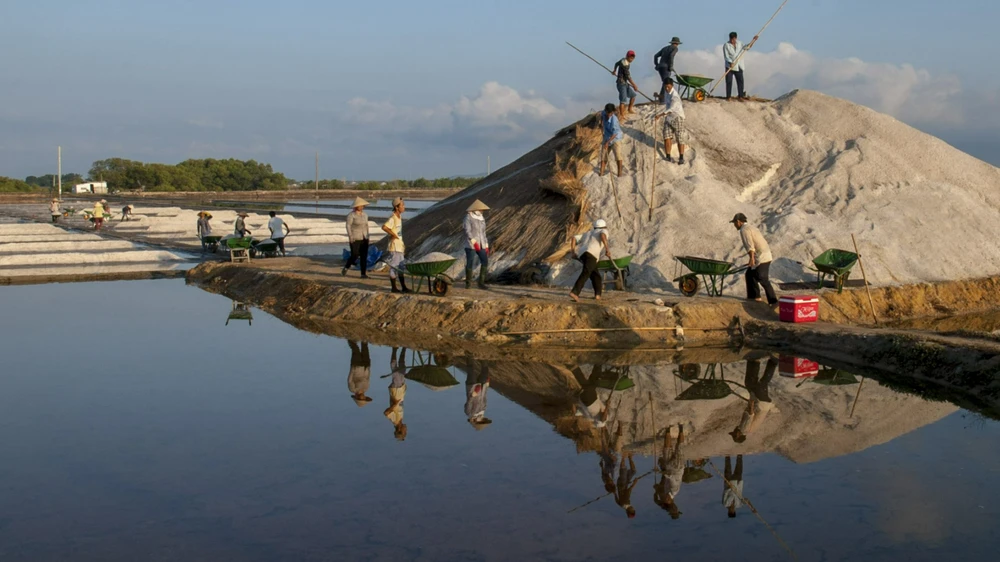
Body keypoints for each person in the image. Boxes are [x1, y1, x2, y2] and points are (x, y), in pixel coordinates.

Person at [730, 213, 778, 304]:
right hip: (764, 254)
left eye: (734, 223)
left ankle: (773, 301)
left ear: (738, 222)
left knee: (762, 278)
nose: (734, 225)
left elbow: (750, 245)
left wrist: (751, 258)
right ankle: (754, 297)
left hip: (762, 256)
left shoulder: (744, 230)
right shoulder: (752, 227)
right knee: (750, 274)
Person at [730, 357, 777, 443]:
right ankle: (772, 362)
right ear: (738, 435)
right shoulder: (743, 430)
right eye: (734, 433)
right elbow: (750, 415)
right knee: (761, 384)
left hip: (760, 403)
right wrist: (751, 404)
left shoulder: (746, 430)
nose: (734, 431)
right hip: (761, 404)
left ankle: (755, 361)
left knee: (749, 384)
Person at [569, 219, 613, 302]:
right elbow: (603, 236)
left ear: (595, 227)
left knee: (595, 275)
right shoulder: (604, 230)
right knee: (586, 272)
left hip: (582, 254)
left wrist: (573, 252)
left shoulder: (588, 233)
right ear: (604, 226)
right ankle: (574, 292)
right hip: (591, 254)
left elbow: (573, 238)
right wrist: (607, 249)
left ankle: (598, 295)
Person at [653, 424, 684, 519]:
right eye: (666, 500)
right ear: (670, 501)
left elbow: (656, 500)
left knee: (666, 448)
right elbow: (671, 476)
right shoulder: (674, 491)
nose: (665, 498)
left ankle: (668, 429)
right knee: (679, 447)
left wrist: (656, 491)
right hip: (677, 467)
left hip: (669, 467)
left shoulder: (666, 492)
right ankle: (681, 428)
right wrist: (659, 472)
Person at [381, 197, 411, 293]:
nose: (404, 206)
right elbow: (384, 227)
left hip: (399, 246)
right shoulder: (393, 218)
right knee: (394, 266)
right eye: (402, 205)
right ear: (397, 207)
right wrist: (393, 234)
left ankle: (403, 287)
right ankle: (394, 288)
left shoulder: (399, 217)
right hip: (394, 246)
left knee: (401, 266)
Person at [655, 78, 686, 165]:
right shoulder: (666, 91)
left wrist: (660, 115)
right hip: (669, 118)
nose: (667, 89)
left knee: (679, 137)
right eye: (665, 87)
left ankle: (681, 158)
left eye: (668, 87)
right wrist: (658, 96)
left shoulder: (675, 96)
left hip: (677, 117)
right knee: (666, 136)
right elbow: (664, 97)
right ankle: (668, 156)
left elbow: (671, 109)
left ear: (672, 86)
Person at [464, 199, 491, 290]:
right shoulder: (468, 217)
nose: (482, 211)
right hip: (471, 244)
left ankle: (481, 283)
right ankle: (468, 283)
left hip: (481, 243)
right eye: (481, 209)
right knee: (470, 262)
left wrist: (486, 244)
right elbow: (467, 231)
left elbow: (484, 232)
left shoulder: (482, 218)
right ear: (476, 209)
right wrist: (473, 241)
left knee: (485, 261)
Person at [342, 197, 371, 278]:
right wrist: (350, 237)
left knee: (364, 256)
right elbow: (348, 226)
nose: (362, 207)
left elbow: (366, 226)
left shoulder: (365, 215)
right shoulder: (351, 215)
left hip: (364, 237)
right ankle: (346, 267)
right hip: (355, 237)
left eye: (363, 206)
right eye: (360, 205)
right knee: (355, 255)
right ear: (356, 206)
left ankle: (363, 274)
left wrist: (368, 236)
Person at [384, 347, 408, 441]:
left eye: (405, 431)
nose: (406, 430)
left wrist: (395, 404)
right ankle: (404, 348)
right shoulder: (400, 418)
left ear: (400, 430)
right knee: (402, 368)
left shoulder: (394, 420)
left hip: (396, 390)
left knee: (395, 369)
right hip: (401, 389)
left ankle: (394, 349)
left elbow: (386, 413)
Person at [723, 31, 754, 101]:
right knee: (729, 81)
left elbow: (747, 47)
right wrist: (730, 62)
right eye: (730, 39)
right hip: (730, 66)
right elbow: (726, 56)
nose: (732, 40)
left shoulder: (740, 43)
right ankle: (728, 97)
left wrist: (753, 40)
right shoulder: (726, 45)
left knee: (740, 81)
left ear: (736, 38)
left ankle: (741, 96)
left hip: (738, 65)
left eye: (733, 39)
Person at [599, 103, 624, 178]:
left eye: (611, 113)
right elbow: (601, 115)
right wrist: (601, 123)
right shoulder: (604, 113)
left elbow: (615, 134)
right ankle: (601, 172)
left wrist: (607, 142)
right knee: (603, 155)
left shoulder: (614, 120)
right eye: (609, 112)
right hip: (606, 136)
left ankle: (619, 172)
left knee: (617, 155)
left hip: (615, 138)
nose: (610, 114)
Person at [465, 361, 492, 429]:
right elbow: (484, 396)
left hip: (472, 388)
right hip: (481, 387)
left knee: (472, 372)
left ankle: (470, 357)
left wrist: (473, 394)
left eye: (481, 421)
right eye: (483, 420)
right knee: (485, 373)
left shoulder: (469, 413)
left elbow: (469, 402)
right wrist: (487, 386)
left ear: (475, 421)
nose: (482, 419)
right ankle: (483, 359)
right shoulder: (483, 409)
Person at [653, 37, 682, 101]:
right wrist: (671, 66)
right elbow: (671, 55)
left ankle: (662, 97)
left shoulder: (665, 48)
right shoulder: (675, 48)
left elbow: (655, 56)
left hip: (661, 67)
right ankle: (662, 99)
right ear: (677, 44)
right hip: (666, 67)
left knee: (664, 82)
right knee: (666, 82)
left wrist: (657, 64)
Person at [613, 50, 639, 119]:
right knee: (623, 100)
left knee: (633, 96)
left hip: (625, 83)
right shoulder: (624, 64)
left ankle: (629, 109)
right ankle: (621, 115)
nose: (632, 59)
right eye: (630, 58)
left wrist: (614, 70)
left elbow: (616, 64)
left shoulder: (623, 60)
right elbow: (628, 76)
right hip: (621, 83)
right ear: (627, 56)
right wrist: (634, 85)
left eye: (633, 58)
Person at [347, 340, 373, 406]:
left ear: (358, 398)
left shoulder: (353, 389)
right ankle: (364, 336)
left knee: (355, 348)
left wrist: (353, 368)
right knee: (365, 347)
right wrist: (368, 368)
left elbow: (350, 379)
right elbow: (368, 378)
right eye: (364, 398)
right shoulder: (366, 388)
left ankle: (349, 337)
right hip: (366, 365)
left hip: (356, 366)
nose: (364, 397)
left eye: (363, 398)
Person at [614, 451, 639, 519]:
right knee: (633, 471)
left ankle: (623, 456)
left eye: (633, 510)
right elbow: (616, 501)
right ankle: (630, 457)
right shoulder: (622, 505)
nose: (633, 508)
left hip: (622, 483)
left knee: (623, 469)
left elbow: (628, 490)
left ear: (629, 511)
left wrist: (635, 483)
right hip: (624, 484)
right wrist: (614, 493)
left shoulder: (626, 503)